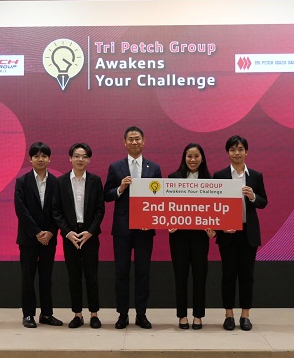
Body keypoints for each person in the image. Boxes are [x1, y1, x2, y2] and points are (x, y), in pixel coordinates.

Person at [104, 126, 162, 329]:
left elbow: (159, 198)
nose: (134, 142)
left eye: (138, 138)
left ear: (144, 141)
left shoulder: (154, 168)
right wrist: (120, 188)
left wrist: (151, 220)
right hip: (122, 229)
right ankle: (122, 314)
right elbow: (106, 195)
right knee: (121, 272)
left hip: (145, 229)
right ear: (124, 142)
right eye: (131, 139)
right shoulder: (115, 167)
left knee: (143, 272)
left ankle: (141, 314)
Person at [212, 135, 267, 331]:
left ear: (246, 152)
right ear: (227, 153)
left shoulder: (256, 176)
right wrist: (220, 227)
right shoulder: (219, 176)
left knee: (247, 276)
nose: (237, 153)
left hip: (248, 233)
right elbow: (214, 205)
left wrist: (253, 197)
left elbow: (263, 202)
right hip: (227, 233)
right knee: (228, 275)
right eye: (233, 149)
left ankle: (245, 315)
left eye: (240, 149)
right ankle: (228, 315)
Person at [52, 143, 105, 329]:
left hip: (90, 235)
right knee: (74, 277)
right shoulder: (61, 182)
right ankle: (77, 314)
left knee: (92, 276)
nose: (80, 159)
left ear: (89, 160)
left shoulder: (95, 181)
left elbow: (100, 209)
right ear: (70, 158)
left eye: (84, 156)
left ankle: (94, 314)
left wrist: (91, 231)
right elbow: (56, 211)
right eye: (77, 156)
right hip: (70, 236)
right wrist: (67, 232)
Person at [14, 142, 63, 328]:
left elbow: (58, 211)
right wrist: (36, 232)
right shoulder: (22, 181)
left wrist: (51, 231)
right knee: (28, 277)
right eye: (36, 156)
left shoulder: (56, 182)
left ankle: (47, 314)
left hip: (49, 238)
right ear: (30, 159)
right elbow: (21, 210)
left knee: (46, 277)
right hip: (28, 239)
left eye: (44, 156)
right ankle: (28, 314)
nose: (40, 159)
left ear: (49, 159)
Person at [167, 143, 216, 330]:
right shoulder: (173, 178)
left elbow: (216, 209)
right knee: (180, 276)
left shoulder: (210, 180)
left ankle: (198, 315)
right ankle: (182, 315)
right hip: (178, 236)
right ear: (184, 158)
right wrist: (168, 222)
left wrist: (214, 229)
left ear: (202, 158)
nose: (193, 160)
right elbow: (166, 205)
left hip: (200, 236)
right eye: (189, 156)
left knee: (199, 275)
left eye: (196, 156)